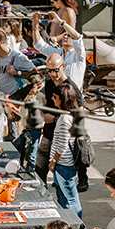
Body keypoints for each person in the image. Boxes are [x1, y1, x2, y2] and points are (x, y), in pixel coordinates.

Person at [35, 52, 82, 186]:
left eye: (56, 70)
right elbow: (47, 103)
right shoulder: (49, 83)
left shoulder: (71, 87)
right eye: (49, 71)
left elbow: (79, 116)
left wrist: (55, 119)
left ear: (63, 66)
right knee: (40, 169)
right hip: (49, 132)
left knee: (62, 178)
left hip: (63, 137)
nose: (53, 74)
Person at [48, 82, 82, 219]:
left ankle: (76, 226)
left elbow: (62, 145)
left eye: (55, 97)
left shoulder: (65, 118)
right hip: (64, 165)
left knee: (70, 200)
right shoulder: (69, 115)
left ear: (63, 99)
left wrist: (53, 161)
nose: (52, 99)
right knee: (65, 199)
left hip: (63, 165)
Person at [32, 10, 84, 91]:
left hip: (73, 95)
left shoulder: (79, 54)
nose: (65, 37)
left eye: (69, 36)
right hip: (58, 95)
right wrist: (35, 27)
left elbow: (77, 38)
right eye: (65, 35)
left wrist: (61, 22)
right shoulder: (58, 53)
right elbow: (39, 45)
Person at [0, 27, 36, 98]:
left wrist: (18, 72)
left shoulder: (18, 56)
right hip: (0, 98)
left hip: (14, 98)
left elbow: (35, 74)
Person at [12, 73, 44, 172]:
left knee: (32, 153)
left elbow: (43, 112)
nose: (28, 89)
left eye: (31, 87)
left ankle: (32, 172)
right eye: (27, 85)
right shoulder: (24, 94)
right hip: (25, 128)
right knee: (20, 150)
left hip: (36, 129)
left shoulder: (41, 97)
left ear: (38, 87)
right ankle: (21, 168)